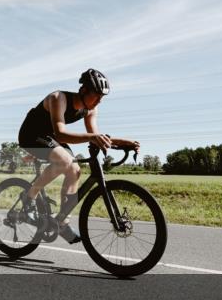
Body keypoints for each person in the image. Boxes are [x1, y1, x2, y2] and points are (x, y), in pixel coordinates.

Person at [17, 69, 140, 244]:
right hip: (31, 134)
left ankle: (61, 221)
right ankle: (29, 196)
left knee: (74, 169)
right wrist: (95, 138)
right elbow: (60, 134)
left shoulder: (90, 109)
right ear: (83, 91)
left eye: (102, 98)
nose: (99, 101)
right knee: (66, 161)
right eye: (96, 96)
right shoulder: (58, 98)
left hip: (49, 137)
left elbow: (95, 137)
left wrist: (121, 142)